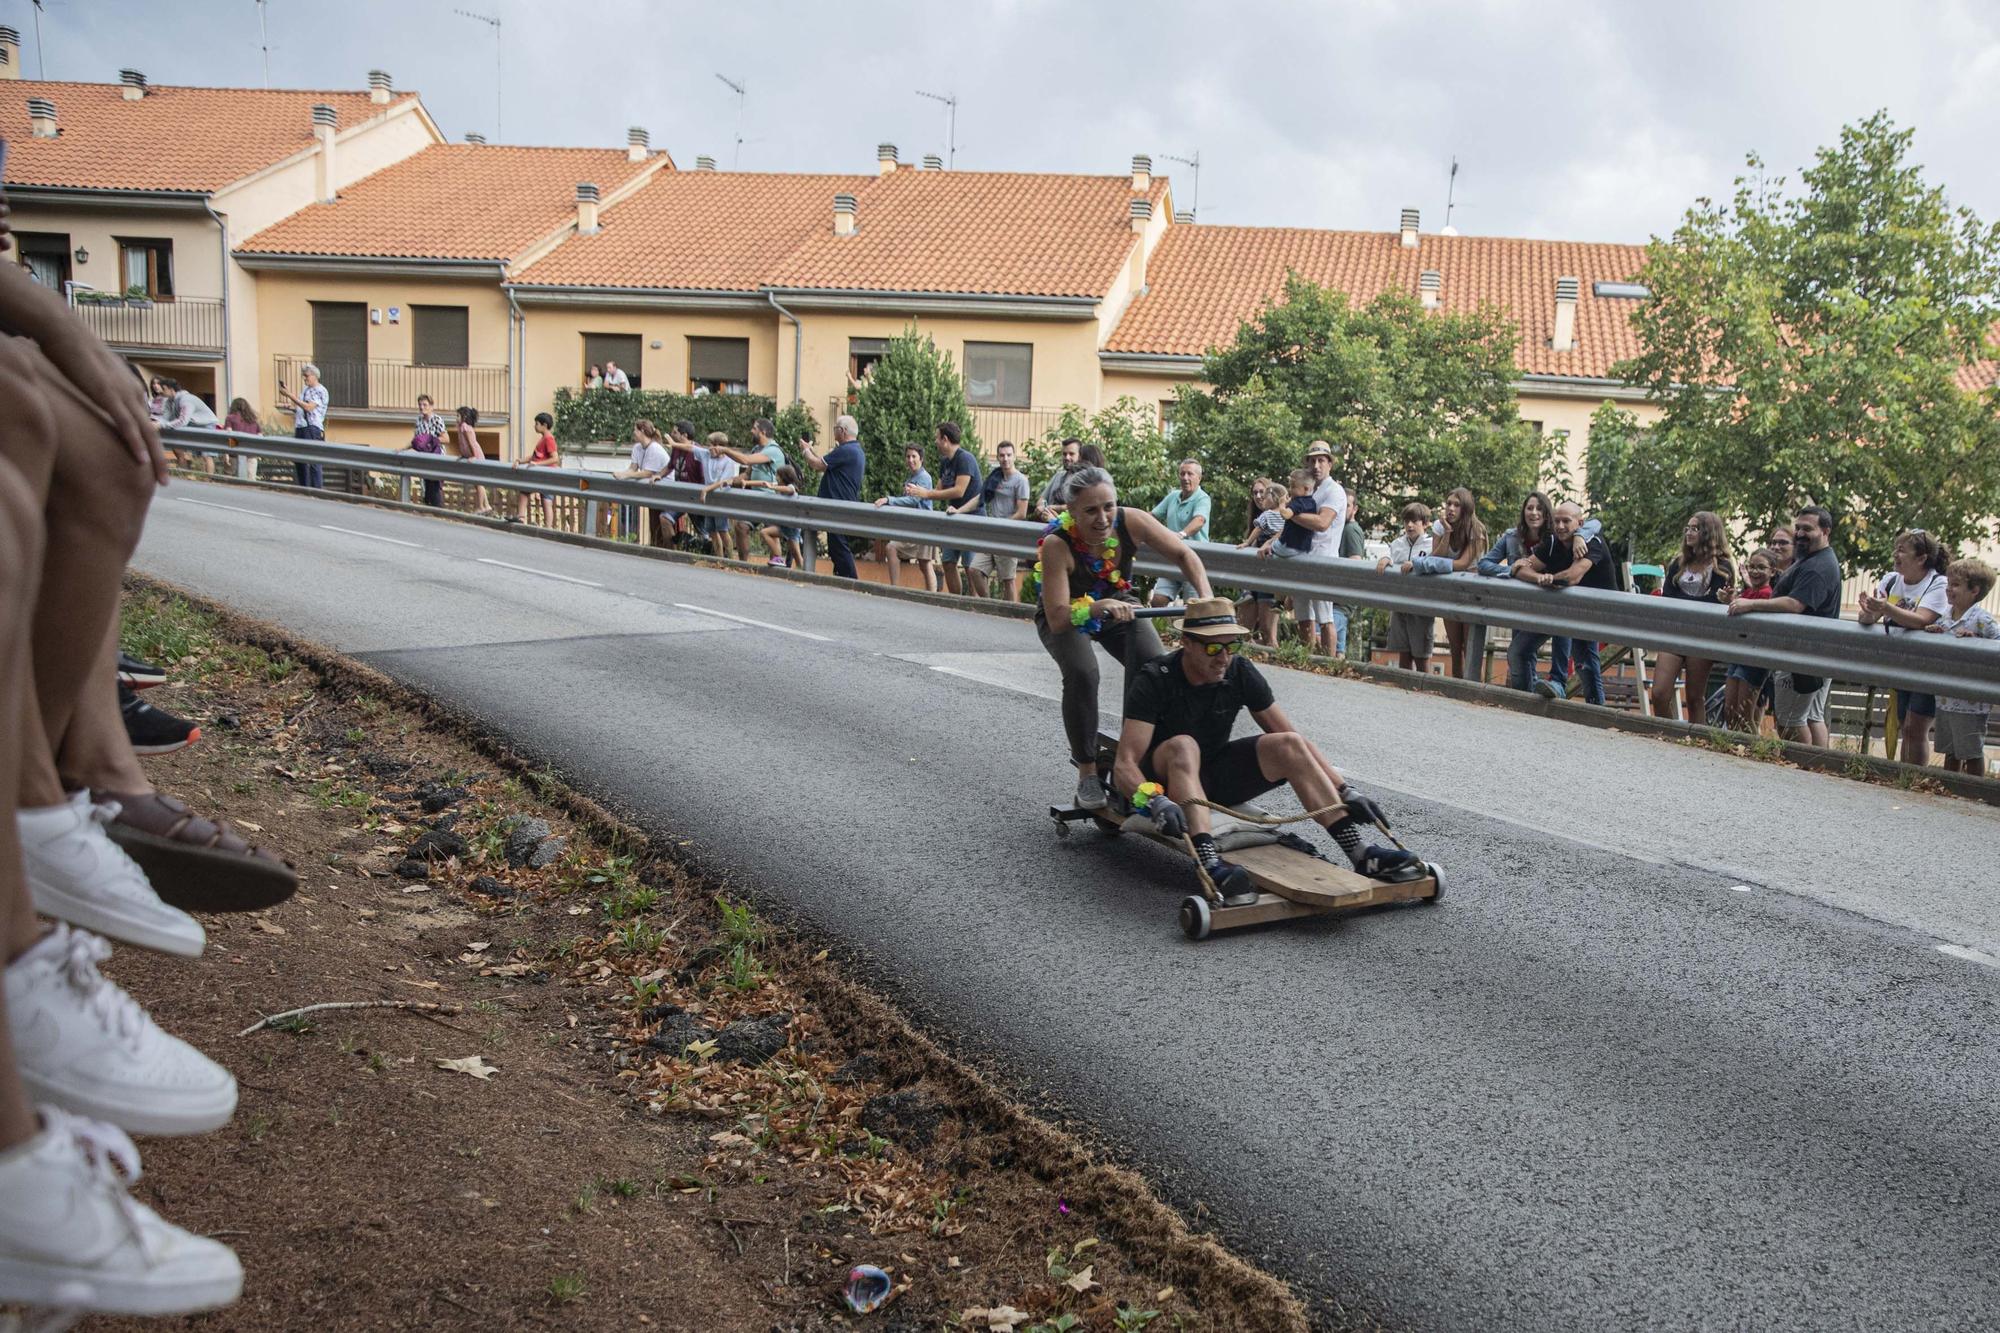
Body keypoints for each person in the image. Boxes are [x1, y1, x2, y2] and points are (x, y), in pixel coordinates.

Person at [1107, 597, 1426, 905]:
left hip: (1214, 777)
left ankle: (1361, 853)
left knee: (1288, 744)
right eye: (1213, 647)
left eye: (1231, 646)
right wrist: (1154, 800)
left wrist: (1344, 790)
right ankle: (1209, 862)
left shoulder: (1238, 671)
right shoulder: (1155, 679)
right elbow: (1125, 765)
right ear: (1186, 643)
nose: (1223, 658)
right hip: (1167, 785)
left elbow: (1293, 740)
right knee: (1183, 745)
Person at [1034, 466, 1212, 810]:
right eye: (1090, 511)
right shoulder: (1058, 545)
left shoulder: (1133, 521)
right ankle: (1087, 770)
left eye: (1108, 507)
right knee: (1084, 672)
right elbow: (1057, 618)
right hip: (1066, 611)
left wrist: (1205, 598)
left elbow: (1184, 554)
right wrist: (1098, 606)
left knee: (1153, 665)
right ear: (1072, 512)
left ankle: (1135, 757)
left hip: (1118, 601)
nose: (1103, 518)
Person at [1728, 506, 1842, 748]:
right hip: (1810, 651)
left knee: (1790, 719)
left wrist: (1751, 605)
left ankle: (1803, 767)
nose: (1800, 533)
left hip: (1803, 653)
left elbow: (1795, 604)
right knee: (1812, 716)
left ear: (1825, 531)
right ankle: (1818, 768)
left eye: (1807, 529)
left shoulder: (1818, 567)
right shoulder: (1811, 559)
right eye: (1798, 528)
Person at [1480, 491, 1599, 695]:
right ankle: (1525, 693)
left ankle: (1558, 682)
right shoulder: (1511, 537)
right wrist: (1511, 570)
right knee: (1520, 652)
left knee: (1563, 633)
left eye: (1539, 509)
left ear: (1547, 514)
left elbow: (1594, 523)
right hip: (1523, 602)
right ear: (1523, 512)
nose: (1534, 513)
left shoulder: (1557, 536)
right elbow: (1484, 564)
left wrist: (1579, 535)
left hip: (1554, 602)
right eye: (1529, 508)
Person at [1857, 529, 1951, 765]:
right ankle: (1904, 776)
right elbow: (1869, 618)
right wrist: (1869, 611)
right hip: (1900, 664)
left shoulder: (1938, 583)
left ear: (1922, 558)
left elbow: (1921, 619)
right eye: (1895, 549)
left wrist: (1885, 608)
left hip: (1930, 665)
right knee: (1904, 725)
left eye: (1902, 550)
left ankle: (1913, 778)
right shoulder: (1890, 579)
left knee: (1915, 727)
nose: (1896, 555)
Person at [1512, 501, 1615, 704]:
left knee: (1585, 665)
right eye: (1557, 521)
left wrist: (1549, 577)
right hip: (1563, 608)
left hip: (1594, 612)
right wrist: (1539, 578)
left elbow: (1572, 577)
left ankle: (1596, 717)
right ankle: (1525, 703)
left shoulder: (1593, 542)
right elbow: (1522, 568)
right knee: (1518, 651)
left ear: (1580, 523)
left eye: (1566, 521)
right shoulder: (1551, 542)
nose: (1560, 526)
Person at [1650, 511, 1737, 724]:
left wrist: (1692, 603)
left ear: (1709, 533)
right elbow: (1668, 598)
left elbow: (1715, 603)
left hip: (1702, 635)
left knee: (1694, 697)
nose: (1689, 533)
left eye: (1695, 528)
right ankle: (1670, 735)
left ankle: (1698, 742)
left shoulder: (1722, 566)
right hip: (1675, 634)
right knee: (1659, 693)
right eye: (1687, 528)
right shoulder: (1678, 564)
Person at [1925, 557, 1999, 776]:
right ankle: (1950, 787)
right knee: (1951, 749)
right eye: (1948, 584)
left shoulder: (1982, 619)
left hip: (1970, 701)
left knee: (1971, 749)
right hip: (1947, 696)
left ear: (1974, 590)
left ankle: (1975, 790)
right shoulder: (1945, 618)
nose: (1948, 590)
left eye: (1955, 585)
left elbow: (1997, 643)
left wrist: (1977, 640)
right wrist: (1936, 633)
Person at [1288, 441, 1349, 657]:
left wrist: (1291, 514)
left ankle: (1329, 663)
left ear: (1330, 464)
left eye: (1321, 460)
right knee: (1304, 618)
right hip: (1300, 557)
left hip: (1323, 560)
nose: (1316, 465)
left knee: (1325, 618)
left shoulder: (1335, 491)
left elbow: (1323, 522)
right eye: (1312, 461)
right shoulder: (1306, 489)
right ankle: (1308, 661)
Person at [1418, 488, 1487, 677]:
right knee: (1455, 648)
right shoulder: (1440, 526)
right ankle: (1456, 688)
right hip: (1452, 589)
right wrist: (1447, 533)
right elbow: (1436, 556)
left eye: (1456, 505)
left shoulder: (1476, 529)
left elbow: (1464, 563)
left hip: (1472, 590)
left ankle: (1473, 689)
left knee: (1470, 648)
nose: (1451, 508)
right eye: (1448, 503)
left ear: (1465, 508)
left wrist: (1438, 565)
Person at [907, 423, 981, 594]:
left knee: (971, 567)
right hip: (952, 517)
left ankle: (975, 604)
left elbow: (958, 490)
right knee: (948, 563)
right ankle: (956, 601)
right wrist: (918, 492)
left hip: (971, 518)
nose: (935, 442)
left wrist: (926, 494)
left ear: (945, 439)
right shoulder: (945, 462)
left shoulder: (965, 459)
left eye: (937, 438)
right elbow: (939, 489)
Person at [707, 418, 786, 560]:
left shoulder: (773, 450)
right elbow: (748, 473)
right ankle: (744, 565)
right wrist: (731, 481)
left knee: (772, 534)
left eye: (754, 428)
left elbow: (746, 460)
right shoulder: (757, 449)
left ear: (763, 432)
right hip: (755, 498)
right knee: (741, 527)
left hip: (772, 499)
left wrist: (725, 450)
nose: (751, 431)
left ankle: (777, 565)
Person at [799, 415, 866, 578]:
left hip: (838, 505)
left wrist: (805, 450)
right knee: (836, 544)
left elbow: (817, 465)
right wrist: (811, 451)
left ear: (842, 431)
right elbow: (825, 463)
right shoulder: (853, 450)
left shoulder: (846, 450)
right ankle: (842, 577)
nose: (834, 431)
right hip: (841, 504)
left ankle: (851, 580)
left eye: (835, 428)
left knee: (839, 545)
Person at [1722, 547, 1779, 731]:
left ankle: (1752, 751)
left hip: (1754, 658)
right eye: (1752, 566)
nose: (1755, 571)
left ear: (1772, 571)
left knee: (1745, 714)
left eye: (1761, 567)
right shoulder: (1747, 594)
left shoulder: (1767, 595)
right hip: (1738, 654)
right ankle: (1734, 747)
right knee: (1730, 710)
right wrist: (1730, 599)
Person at [1377, 502, 1436, 673]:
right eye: (1406, 521)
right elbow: (1388, 555)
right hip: (1400, 602)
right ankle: (1405, 689)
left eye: (1415, 521)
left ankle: (1423, 690)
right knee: (1403, 651)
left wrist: (1417, 563)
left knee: (1421, 654)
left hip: (1420, 605)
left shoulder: (1431, 544)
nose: (1409, 525)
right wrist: (1386, 558)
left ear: (1425, 524)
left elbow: (1436, 562)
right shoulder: (1397, 543)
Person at [969, 440, 1031, 601]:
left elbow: (1022, 513)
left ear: (1014, 456)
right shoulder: (995, 477)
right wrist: (958, 510)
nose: (1005, 459)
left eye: (1009, 455)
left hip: (1009, 535)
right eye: (1002, 455)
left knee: (1008, 580)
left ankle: (1009, 614)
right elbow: (980, 499)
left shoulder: (1021, 481)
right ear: (997, 457)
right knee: (974, 570)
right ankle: (990, 604)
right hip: (992, 534)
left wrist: (1002, 524)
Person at [875, 444, 939, 592]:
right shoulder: (911, 477)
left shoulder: (924, 477)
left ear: (921, 459)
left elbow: (913, 501)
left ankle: (933, 597)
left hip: (924, 527)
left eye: (914, 456)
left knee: (925, 563)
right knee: (892, 548)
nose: (910, 460)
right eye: (908, 456)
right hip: (911, 528)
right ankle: (895, 590)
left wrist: (889, 500)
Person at [1149, 459, 1212, 607]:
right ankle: (1169, 629)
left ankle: (1184, 629)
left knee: (1193, 606)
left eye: (1190, 474)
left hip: (1195, 558)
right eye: (1182, 474)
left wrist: (1181, 534)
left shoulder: (1202, 498)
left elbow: (1200, 520)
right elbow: (1152, 516)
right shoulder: (1173, 496)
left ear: (1199, 478)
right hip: (1173, 556)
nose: (1185, 478)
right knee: (1158, 601)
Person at [1237, 478, 1285, 648]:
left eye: (1262, 492)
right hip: (1251, 579)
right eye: (1255, 492)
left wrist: (1269, 542)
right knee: (1243, 631)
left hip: (1270, 577)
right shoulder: (1257, 520)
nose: (1258, 496)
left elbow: (1286, 533)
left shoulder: (1282, 516)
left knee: (1267, 632)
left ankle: (1277, 666)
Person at [614, 419, 671, 545]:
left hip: (666, 490)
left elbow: (648, 472)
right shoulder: (637, 448)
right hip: (654, 490)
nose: (633, 433)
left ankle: (664, 546)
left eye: (635, 430)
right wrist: (623, 474)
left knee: (661, 521)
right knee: (654, 521)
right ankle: (656, 545)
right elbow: (633, 467)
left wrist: (625, 476)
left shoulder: (655, 448)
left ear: (642, 431)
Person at [274, 362, 328, 488]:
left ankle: (316, 489)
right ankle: (304, 487)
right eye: (304, 376)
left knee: (314, 461)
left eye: (307, 376)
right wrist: (293, 408)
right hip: (301, 427)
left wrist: (289, 395)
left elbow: (309, 407)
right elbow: (302, 408)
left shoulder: (320, 390)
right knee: (299, 460)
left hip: (312, 428)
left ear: (315, 376)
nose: (305, 378)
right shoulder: (305, 390)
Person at [400, 393, 450, 507]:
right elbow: (416, 440)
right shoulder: (419, 421)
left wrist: (430, 440)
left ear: (431, 406)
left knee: (435, 485)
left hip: (436, 456)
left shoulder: (437, 420)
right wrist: (404, 449)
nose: (422, 407)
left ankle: (438, 509)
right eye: (420, 405)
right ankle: (429, 507)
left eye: (425, 405)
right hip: (424, 457)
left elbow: (446, 439)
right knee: (426, 484)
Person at [512, 411, 562, 525]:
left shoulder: (548, 439)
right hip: (544, 474)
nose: (535, 426)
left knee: (528, 493)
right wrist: (519, 460)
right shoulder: (544, 439)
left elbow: (555, 458)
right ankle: (546, 527)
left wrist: (537, 464)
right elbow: (535, 457)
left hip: (545, 474)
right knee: (544, 499)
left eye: (536, 424)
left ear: (544, 425)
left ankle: (522, 518)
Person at [452, 406, 495, 516]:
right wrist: (464, 455)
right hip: (470, 455)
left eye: (457, 416)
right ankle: (487, 505)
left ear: (464, 417)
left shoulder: (465, 427)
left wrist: (474, 456)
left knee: (478, 483)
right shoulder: (461, 427)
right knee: (478, 482)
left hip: (476, 456)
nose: (456, 418)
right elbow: (463, 444)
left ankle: (481, 506)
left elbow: (471, 443)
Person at [1038, 436, 1083, 522]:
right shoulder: (1058, 476)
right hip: (1047, 528)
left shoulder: (1083, 480)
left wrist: (1051, 509)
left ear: (1080, 456)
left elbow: (1078, 507)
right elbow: (1041, 500)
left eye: (1071, 454)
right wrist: (1043, 510)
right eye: (1064, 454)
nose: (1067, 457)